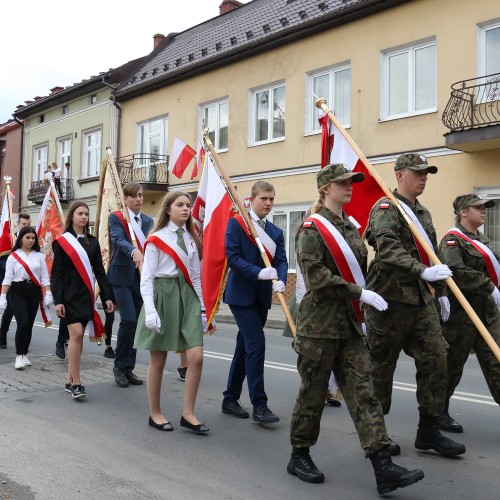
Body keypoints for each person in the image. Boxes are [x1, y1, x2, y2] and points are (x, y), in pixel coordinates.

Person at [288, 163, 424, 495]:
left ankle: (383, 467)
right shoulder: (311, 229)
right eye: (343, 183)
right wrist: (359, 293)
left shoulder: (350, 227)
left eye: (351, 182)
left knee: (365, 394)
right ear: (325, 189)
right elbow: (316, 276)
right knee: (313, 394)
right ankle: (299, 454)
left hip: (349, 327)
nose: (350, 186)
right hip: (318, 328)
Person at [363, 153, 465, 457]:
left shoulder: (423, 213)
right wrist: (421, 271)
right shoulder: (386, 208)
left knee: (436, 358)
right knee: (381, 367)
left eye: (427, 173)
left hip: (420, 301)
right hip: (388, 301)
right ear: (399, 175)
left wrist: (442, 290)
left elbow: (433, 254)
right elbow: (387, 247)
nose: (423, 177)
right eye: (417, 172)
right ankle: (377, 434)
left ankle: (429, 430)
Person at [134, 191, 208, 433]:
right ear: (168, 209)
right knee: (159, 360)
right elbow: (146, 278)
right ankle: (155, 413)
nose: (186, 209)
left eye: (188, 205)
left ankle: (188, 413)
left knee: (195, 356)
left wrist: (204, 309)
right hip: (162, 295)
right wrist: (151, 310)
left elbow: (195, 276)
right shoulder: (156, 238)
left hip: (187, 295)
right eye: (180, 205)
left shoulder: (191, 239)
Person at [222, 180, 288, 424]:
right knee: (256, 344)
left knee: (244, 347)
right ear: (252, 199)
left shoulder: (275, 232)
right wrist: (258, 273)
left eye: (271, 199)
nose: (268, 203)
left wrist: (280, 279)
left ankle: (229, 398)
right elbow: (233, 258)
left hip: (261, 297)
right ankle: (259, 404)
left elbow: (281, 260)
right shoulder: (237, 224)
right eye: (264, 199)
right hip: (240, 296)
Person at [437, 194, 500, 433]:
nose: (483, 211)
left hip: (487, 315)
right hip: (461, 318)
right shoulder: (453, 241)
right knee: (452, 368)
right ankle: (438, 413)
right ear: (463, 212)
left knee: (497, 363)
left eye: (485, 207)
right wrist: (487, 285)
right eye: (478, 207)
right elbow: (456, 271)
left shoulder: (482, 239)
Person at [51, 201, 114, 399]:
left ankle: (70, 380)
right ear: (72, 216)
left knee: (77, 338)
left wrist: (107, 297)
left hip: (85, 295)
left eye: (86, 213)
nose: (84, 217)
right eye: (80, 213)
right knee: (76, 334)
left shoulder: (92, 242)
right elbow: (57, 274)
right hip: (68, 296)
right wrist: (58, 300)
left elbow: (100, 273)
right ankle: (77, 383)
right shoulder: (63, 241)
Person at [108, 182, 153, 388]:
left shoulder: (148, 221)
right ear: (125, 199)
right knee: (129, 320)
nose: (138, 199)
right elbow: (118, 239)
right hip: (121, 276)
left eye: (141, 195)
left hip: (141, 277)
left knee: (137, 323)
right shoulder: (117, 218)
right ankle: (118, 365)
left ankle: (129, 367)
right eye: (134, 196)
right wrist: (133, 251)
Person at [0, 226, 53, 369]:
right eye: (27, 237)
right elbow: (8, 278)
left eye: (32, 238)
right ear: (21, 239)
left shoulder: (39, 256)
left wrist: (47, 293)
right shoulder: (13, 256)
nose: (30, 240)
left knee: (29, 325)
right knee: (22, 323)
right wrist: (3, 296)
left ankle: (24, 354)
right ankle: (18, 356)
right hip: (17, 291)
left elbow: (44, 277)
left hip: (34, 291)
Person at [0, 213, 32, 349]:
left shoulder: (31, 239)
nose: (26, 226)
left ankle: (23, 339)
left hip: (27, 282)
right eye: (23, 224)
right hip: (11, 280)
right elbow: (1, 260)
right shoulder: (9, 239)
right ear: (17, 224)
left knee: (24, 313)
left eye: (28, 224)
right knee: (10, 310)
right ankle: (2, 335)